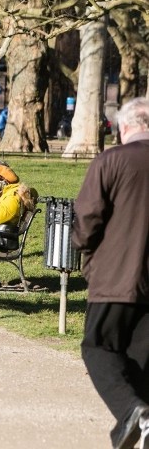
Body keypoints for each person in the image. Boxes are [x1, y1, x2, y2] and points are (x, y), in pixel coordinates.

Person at [72, 96, 149, 449]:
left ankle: (130, 410)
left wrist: (82, 248)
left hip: (117, 277)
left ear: (126, 127)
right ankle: (141, 422)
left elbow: (87, 219)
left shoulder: (112, 161)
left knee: (98, 346)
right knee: (140, 361)